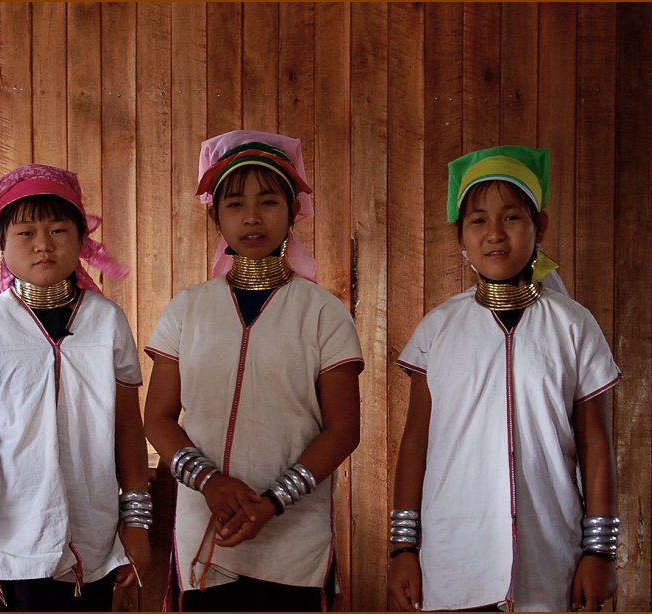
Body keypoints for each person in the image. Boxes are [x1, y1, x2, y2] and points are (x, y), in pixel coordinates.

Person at [387, 146, 621, 612]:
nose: (495, 234)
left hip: (550, 558)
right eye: (477, 220)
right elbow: (416, 441)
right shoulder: (439, 329)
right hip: (453, 557)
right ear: (460, 234)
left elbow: (596, 443)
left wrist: (600, 551)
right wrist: (402, 548)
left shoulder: (573, 325)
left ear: (540, 228)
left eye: (512, 217)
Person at [143, 130, 363, 611]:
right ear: (214, 215)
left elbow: (344, 429)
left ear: (291, 213)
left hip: (294, 542)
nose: (252, 217)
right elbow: (157, 417)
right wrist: (210, 482)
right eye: (235, 203)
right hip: (205, 533)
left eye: (268, 201)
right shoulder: (187, 310)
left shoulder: (323, 313)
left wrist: (273, 501)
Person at [0, 163, 151, 612]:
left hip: (97, 539)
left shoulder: (107, 321)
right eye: (25, 232)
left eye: (59, 229)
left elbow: (127, 428)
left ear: (82, 239)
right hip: (16, 540)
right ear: (1, 244)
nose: (43, 244)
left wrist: (136, 523)